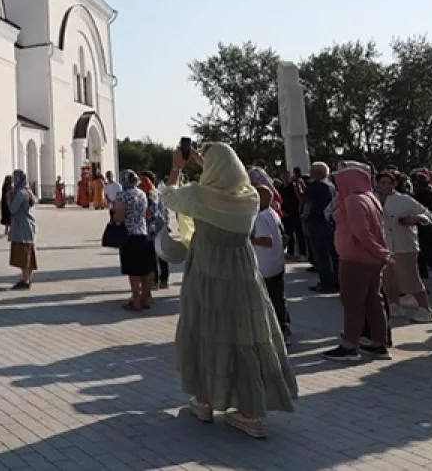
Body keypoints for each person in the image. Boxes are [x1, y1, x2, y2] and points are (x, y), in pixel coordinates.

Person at [166, 143, 296, 439]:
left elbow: (169, 198)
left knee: (207, 329)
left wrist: (178, 167)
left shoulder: (199, 195)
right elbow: (227, 184)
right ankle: (251, 412)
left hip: (207, 272)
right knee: (245, 335)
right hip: (242, 273)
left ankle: (205, 399)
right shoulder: (249, 197)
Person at [323, 167, 394, 361]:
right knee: (373, 301)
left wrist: (378, 250)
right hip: (371, 259)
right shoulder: (370, 198)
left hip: (355, 259)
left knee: (353, 303)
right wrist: (381, 252)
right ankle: (379, 343)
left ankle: (349, 346)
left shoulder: (354, 200)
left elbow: (361, 232)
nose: (336, 186)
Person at [375, 171, 432, 322]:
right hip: (384, 245)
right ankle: (394, 305)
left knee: (411, 278)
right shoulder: (372, 199)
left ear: (395, 184)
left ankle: (425, 310)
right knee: (389, 279)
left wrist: (416, 218)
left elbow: (429, 215)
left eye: (390, 183)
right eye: (383, 182)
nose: (386, 186)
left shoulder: (404, 199)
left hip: (405, 244)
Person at [111, 170, 156, 311]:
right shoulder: (141, 194)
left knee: (133, 269)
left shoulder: (122, 195)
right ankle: (146, 297)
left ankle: (136, 299)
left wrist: (113, 218)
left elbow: (120, 216)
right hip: (143, 233)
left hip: (129, 235)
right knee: (146, 268)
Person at [251, 185, 290, 344]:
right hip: (277, 263)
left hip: (266, 266)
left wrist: (248, 239)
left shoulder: (260, 217)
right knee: (279, 298)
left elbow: (267, 241)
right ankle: (285, 327)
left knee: (272, 301)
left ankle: (280, 332)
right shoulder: (272, 213)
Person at [304, 162, 338, 293]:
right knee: (331, 253)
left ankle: (326, 283)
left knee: (321, 254)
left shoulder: (315, 186)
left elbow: (305, 201)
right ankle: (335, 280)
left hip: (317, 222)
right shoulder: (331, 185)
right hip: (329, 222)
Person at [7, 169, 38, 290]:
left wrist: (9, 198)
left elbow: (13, 209)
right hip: (29, 226)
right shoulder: (29, 191)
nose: (13, 181)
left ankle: (24, 280)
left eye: (15, 178)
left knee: (23, 255)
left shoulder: (20, 193)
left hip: (21, 227)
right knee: (29, 254)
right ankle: (28, 279)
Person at [140, 171, 170, 289]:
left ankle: (156, 280)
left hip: (153, 228)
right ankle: (163, 280)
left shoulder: (151, 194)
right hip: (161, 227)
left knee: (153, 255)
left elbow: (150, 213)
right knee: (161, 254)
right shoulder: (158, 192)